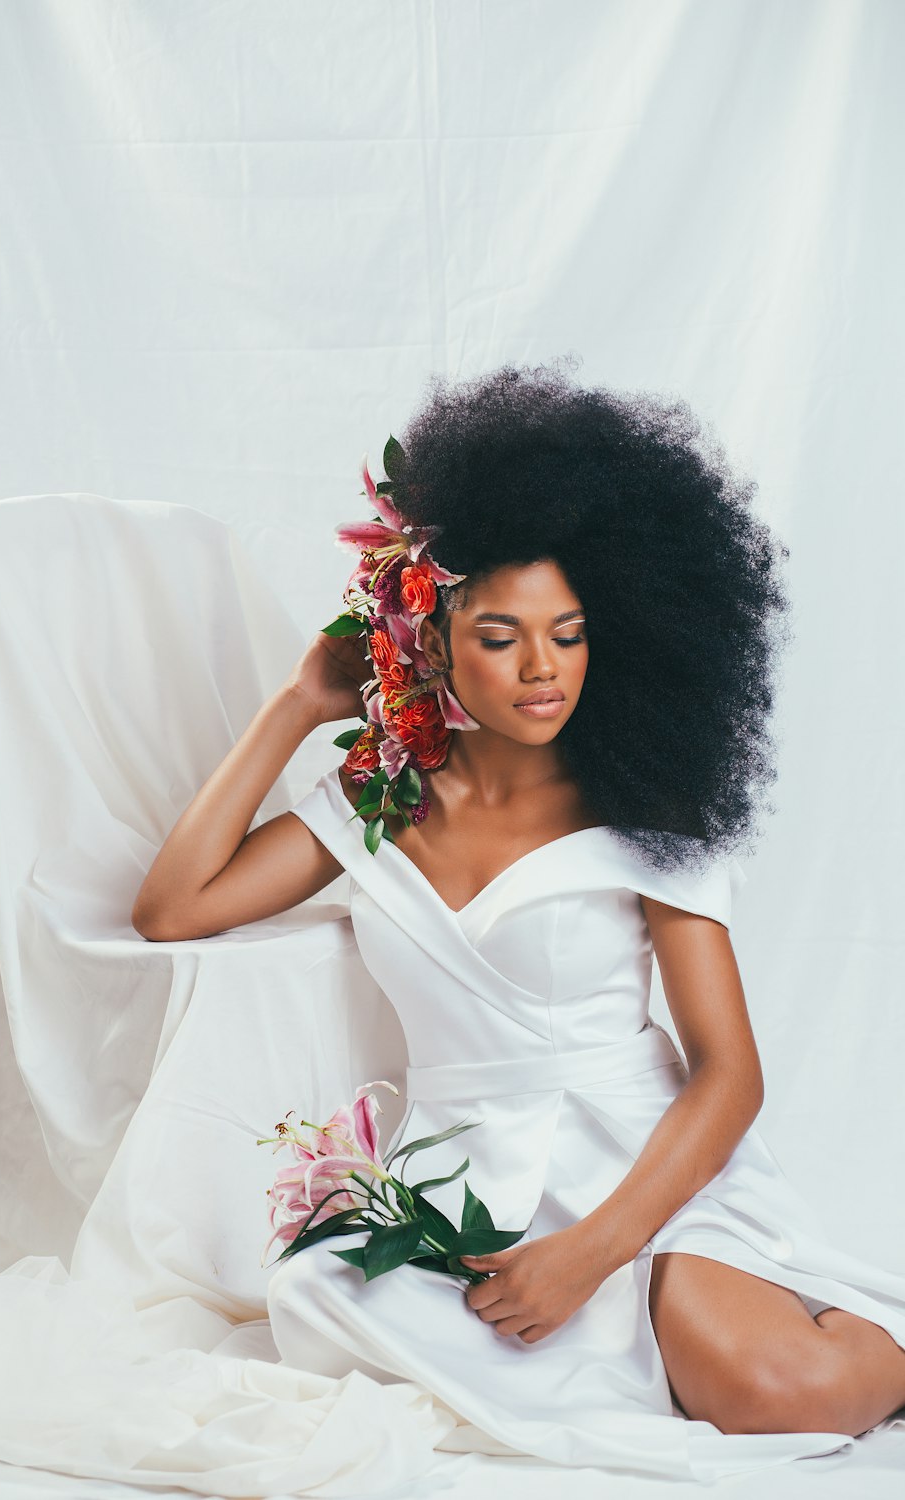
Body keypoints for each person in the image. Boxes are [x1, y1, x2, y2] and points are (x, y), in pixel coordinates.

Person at [133, 361, 905, 1481]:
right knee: (310, 1293)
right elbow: (172, 909)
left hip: (644, 1168)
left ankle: (853, 1344)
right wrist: (299, 702)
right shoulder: (377, 795)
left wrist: (590, 1255)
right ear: (432, 642)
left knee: (780, 1396)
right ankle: (624, 1357)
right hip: (467, 1179)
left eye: (571, 632)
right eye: (501, 637)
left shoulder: (643, 806)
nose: (545, 670)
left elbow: (728, 1073)